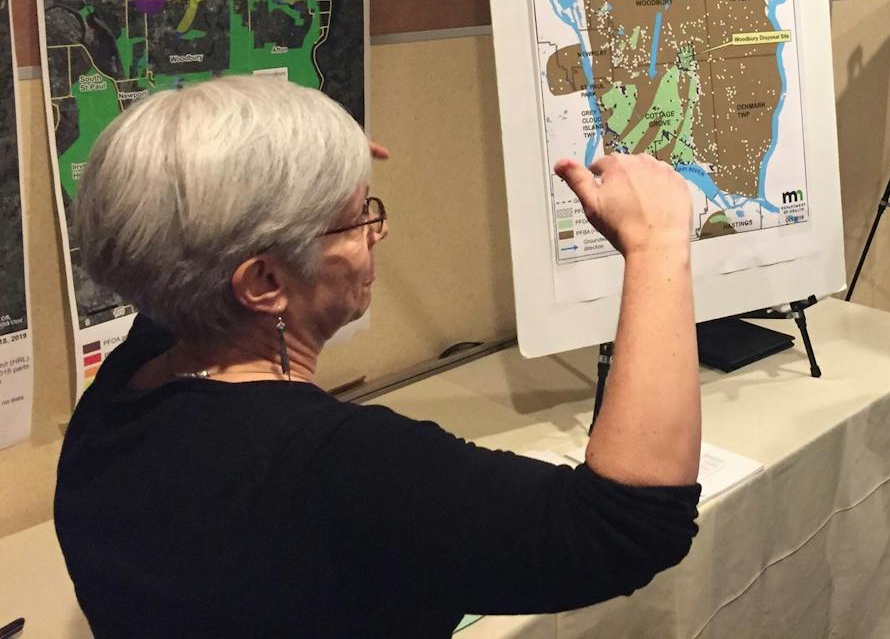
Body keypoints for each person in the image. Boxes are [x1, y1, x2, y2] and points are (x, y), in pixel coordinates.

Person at [53, 76, 701, 638]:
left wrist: (303, 167)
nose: (376, 231)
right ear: (264, 284)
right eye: (358, 216)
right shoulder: (346, 470)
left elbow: (171, 236)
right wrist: (656, 245)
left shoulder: (118, 398)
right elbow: (623, 525)